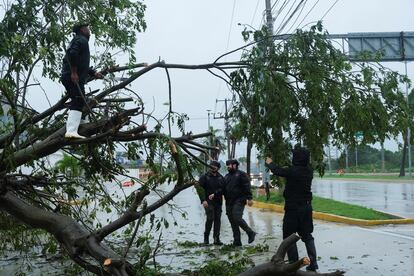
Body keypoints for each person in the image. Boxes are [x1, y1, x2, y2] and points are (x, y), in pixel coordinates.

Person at [265, 147, 319, 272]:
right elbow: (290, 171)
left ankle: (294, 266)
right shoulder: (308, 171)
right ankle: (313, 263)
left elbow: (277, 171)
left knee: (289, 237)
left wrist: (270, 163)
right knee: (307, 235)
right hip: (306, 208)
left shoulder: (293, 171)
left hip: (293, 209)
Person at [61, 22, 103, 139]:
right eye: (87, 28)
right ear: (82, 29)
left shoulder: (77, 40)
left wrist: (94, 73)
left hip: (69, 75)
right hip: (72, 76)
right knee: (78, 100)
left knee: (82, 100)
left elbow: (81, 62)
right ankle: (71, 131)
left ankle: (81, 127)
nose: (89, 31)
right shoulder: (81, 40)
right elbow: (72, 55)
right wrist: (74, 73)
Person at [220, 159, 256, 246]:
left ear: (235, 165)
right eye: (227, 165)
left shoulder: (241, 174)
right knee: (232, 221)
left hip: (239, 200)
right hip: (229, 201)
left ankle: (250, 232)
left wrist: (249, 198)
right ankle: (237, 241)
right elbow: (222, 189)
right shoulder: (226, 176)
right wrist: (215, 194)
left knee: (237, 217)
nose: (228, 166)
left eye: (230, 165)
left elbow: (247, 186)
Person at [197, 160, 224, 245]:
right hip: (208, 202)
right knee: (210, 218)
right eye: (211, 166)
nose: (213, 167)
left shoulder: (221, 177)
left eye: (215, 166)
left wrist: (215, 194)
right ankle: (206, 238)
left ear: (218, 168)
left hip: (218, 201)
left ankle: (216, 239)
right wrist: (203, 200)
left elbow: (223, 189)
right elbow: (199, 189)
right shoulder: (204, 177)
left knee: (217, 219)